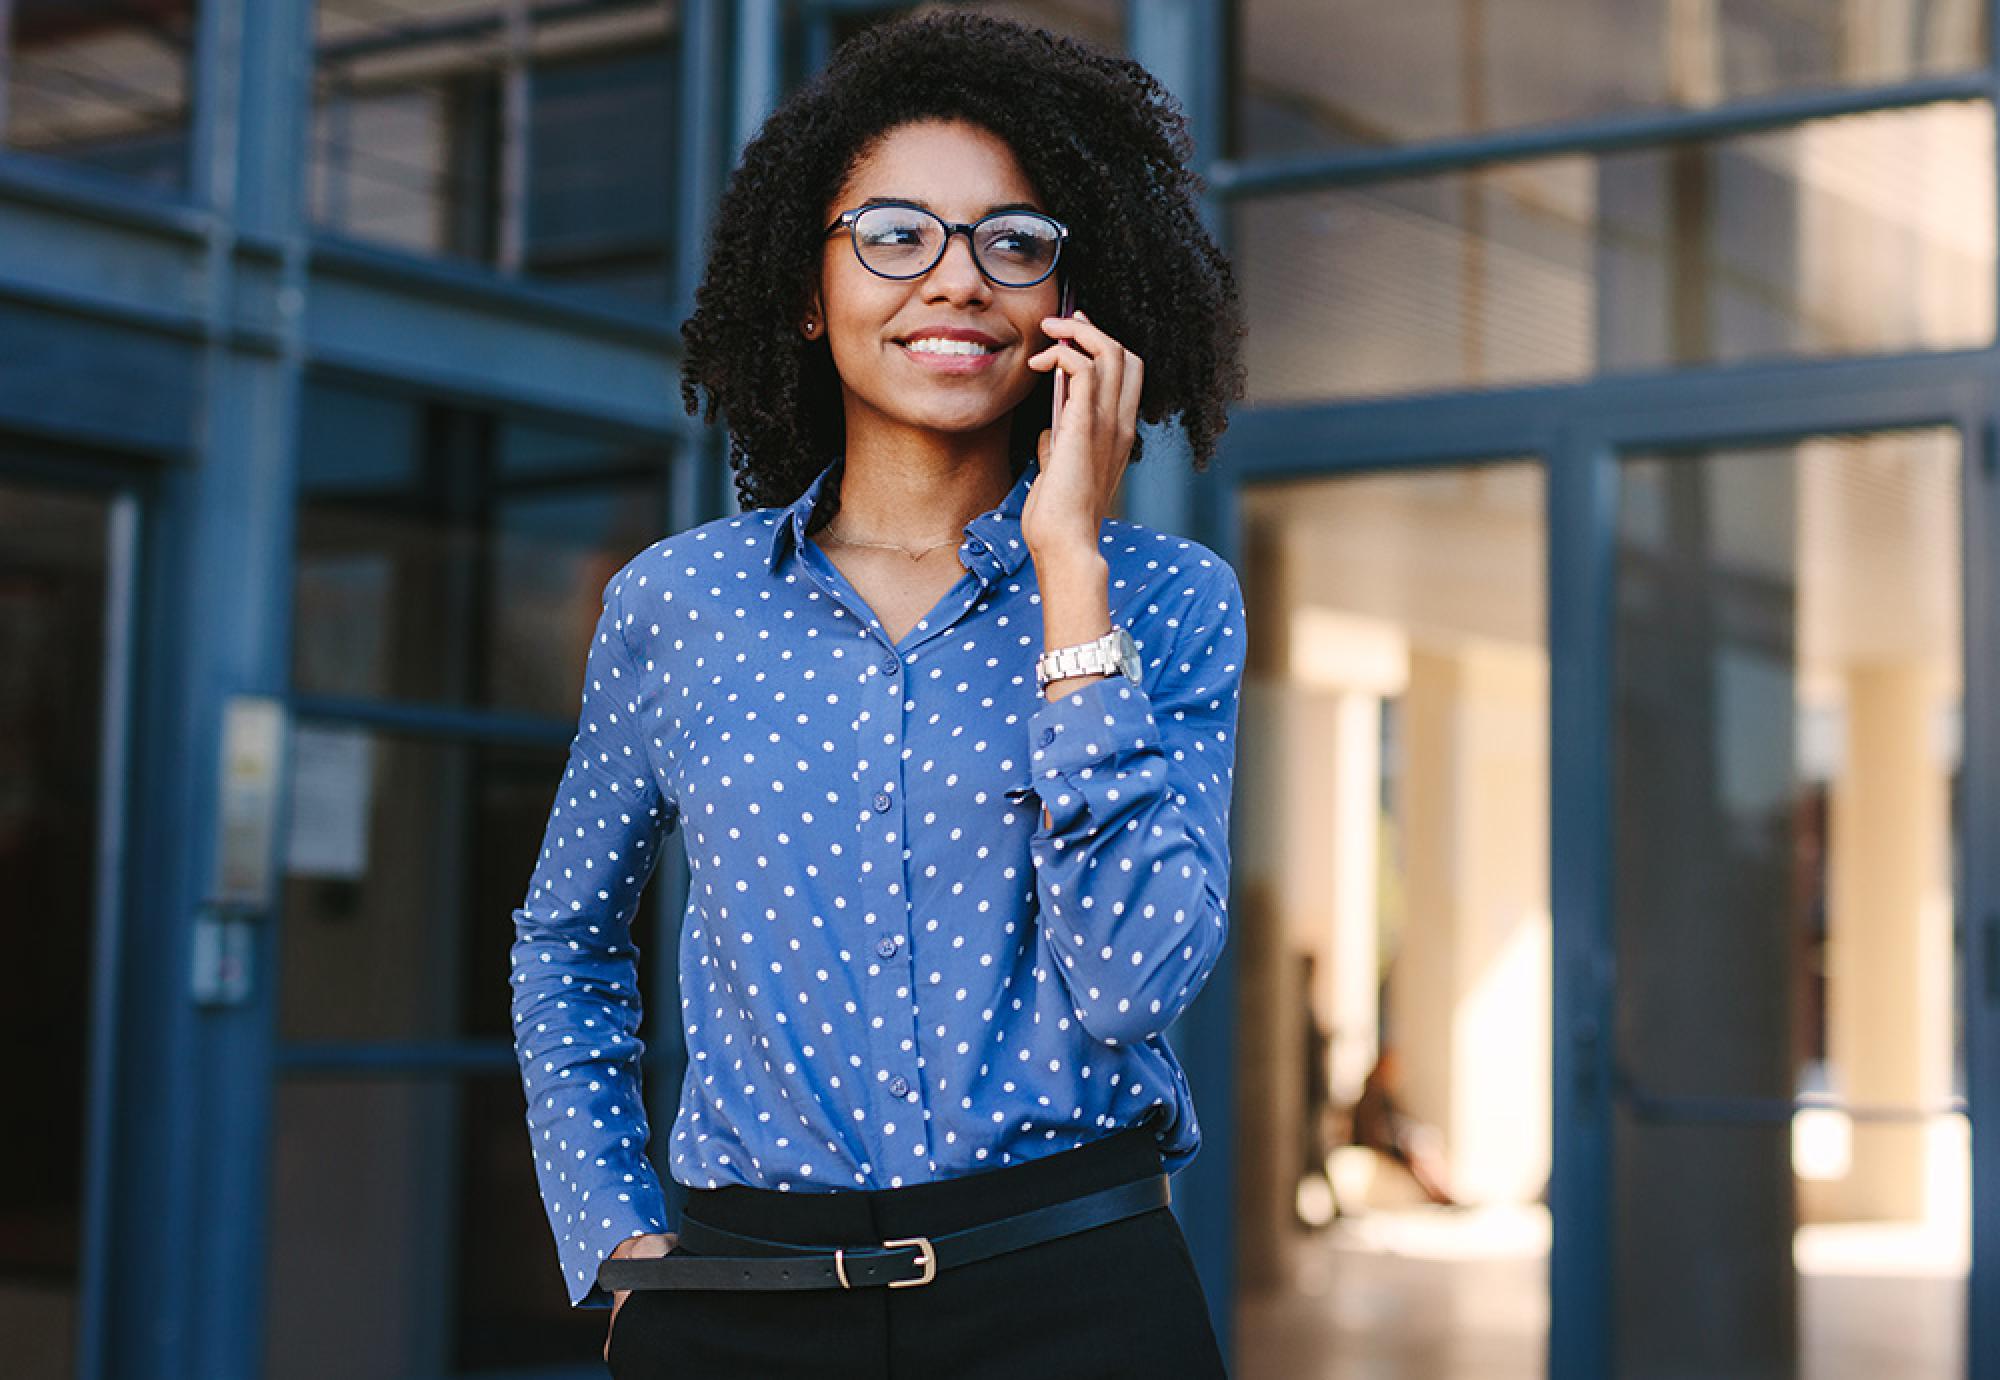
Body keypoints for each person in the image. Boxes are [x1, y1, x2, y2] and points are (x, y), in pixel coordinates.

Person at [506, 12, 1247, 1376]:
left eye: (1013, 241)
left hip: (1073, 1292)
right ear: (807, 289)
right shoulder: (680, 606)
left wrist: (1069, 567)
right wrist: (609, 1232)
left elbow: (1142, 979)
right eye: (895, 235)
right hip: (744, 1306)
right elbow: (567, 942)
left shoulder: (1164, 596)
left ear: (1072, 306)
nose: (956, 280)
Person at [1349, 1047, 1458, 1207]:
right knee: (1415, 1159)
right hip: (1381, 1144)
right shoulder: (1371, 1098)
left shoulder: (1384, 1095)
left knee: (1424, 1152)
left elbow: (1399, 1120)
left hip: (1390, 1142)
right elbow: (1373, 1131)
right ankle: (1438, 1195)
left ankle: (1440, 1193)